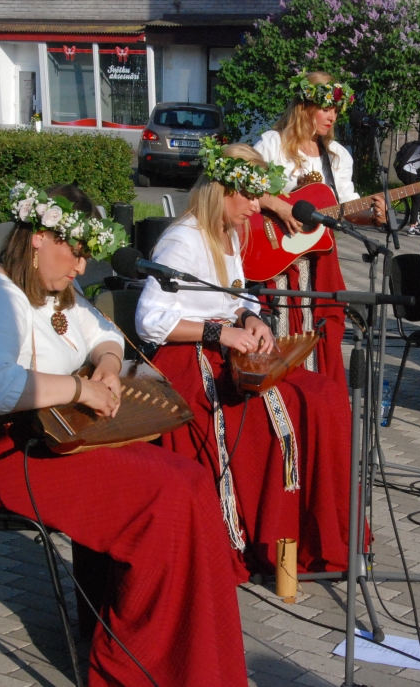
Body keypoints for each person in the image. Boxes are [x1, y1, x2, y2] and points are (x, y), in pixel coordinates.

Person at [0, 183, 247, 687]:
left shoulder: (53, 290)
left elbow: (104, 333)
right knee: (164, 498)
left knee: (191, 480)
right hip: (2, 454)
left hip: (56, 436)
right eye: (77, 251)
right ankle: (132, 667)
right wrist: (79, 388)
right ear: (40, 237)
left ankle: (194, 660)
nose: (82, 267)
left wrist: (107, 365)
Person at [136, 140, 355, 584]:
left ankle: (311, 538)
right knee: (292, 409)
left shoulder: (228, 233)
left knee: (326, 396)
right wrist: (222, 331)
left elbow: (232, 295)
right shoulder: (184, 239)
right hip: (189, 364)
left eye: (260, 196)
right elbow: (150, 320)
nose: (257, 207)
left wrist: (250, 316)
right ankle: (268, 545)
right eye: (251, 196)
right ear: (222, 190)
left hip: (225, 353)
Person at [253, 71, 385, 389]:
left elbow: (347, 206)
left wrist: (372, 215)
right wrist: (281, 206)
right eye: (326, 107)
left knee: (321, 327)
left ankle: (311, 390)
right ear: (305, 107)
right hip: (276, 255)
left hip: (318, 258)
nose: (332, 116)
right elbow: (247, 184)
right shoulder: (273, 144)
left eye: (336, 110)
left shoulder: (337, 155)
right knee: (281, 325)